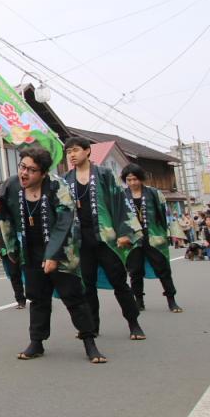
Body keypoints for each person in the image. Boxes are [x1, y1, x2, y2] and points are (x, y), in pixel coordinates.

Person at [0, 146, 105, 364]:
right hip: (30, 250)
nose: (24, 173)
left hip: (62, 250)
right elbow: (4, 217)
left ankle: (89, 342)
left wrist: (53, 255)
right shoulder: (11, 185)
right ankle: (36, 342)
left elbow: (65, 221)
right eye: (22, 167)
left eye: (32, 170)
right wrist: (10, 249)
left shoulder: (58, 185)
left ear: (43, 173)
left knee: (74, 298)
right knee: (37, 298)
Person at [64, 136, 146, 340]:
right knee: (87, 287)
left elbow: (119, 203)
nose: (72, 155)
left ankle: (133, 323)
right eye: (68, 152)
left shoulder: (104, 174)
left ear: (87, 151)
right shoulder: (66, 180)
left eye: (75, 150)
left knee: (120, 283)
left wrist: (126, 233)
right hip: (81, 242)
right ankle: (93, 327)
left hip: (106, 239)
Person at [120, 164, 182, 313]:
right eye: (129, 180)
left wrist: (171, 233)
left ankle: (171, 300)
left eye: (135, 179)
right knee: (135, 272)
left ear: (141, 179)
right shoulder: (121, 196)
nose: (132, 183)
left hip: (154, 236)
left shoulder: (154, 193)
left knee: (163, 269)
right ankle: (139, 301)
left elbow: (165, 214)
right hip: (132, 239)